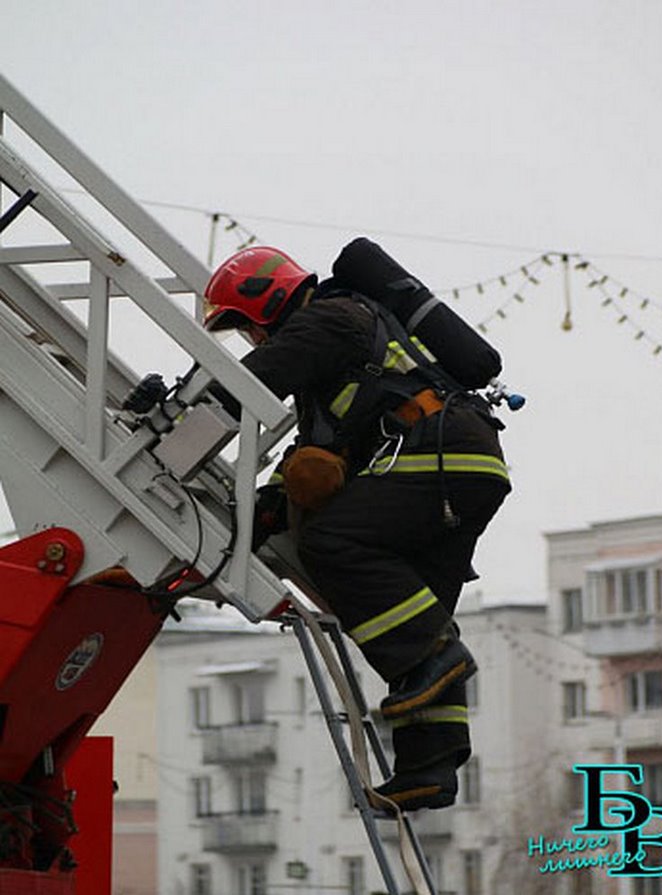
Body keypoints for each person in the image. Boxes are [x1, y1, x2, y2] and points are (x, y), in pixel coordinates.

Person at [204, 244, 511, 811]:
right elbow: (322, 444)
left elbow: (249, 386)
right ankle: (429, 769)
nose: (252, 340)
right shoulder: (346, 333)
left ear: (263, 299)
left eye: (245, 327)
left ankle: (440, 656)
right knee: (408, 622)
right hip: (467, 464)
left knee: (331, 543)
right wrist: (268, 506)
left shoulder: (327, 317)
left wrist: (180, 408)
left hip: (439, 459)